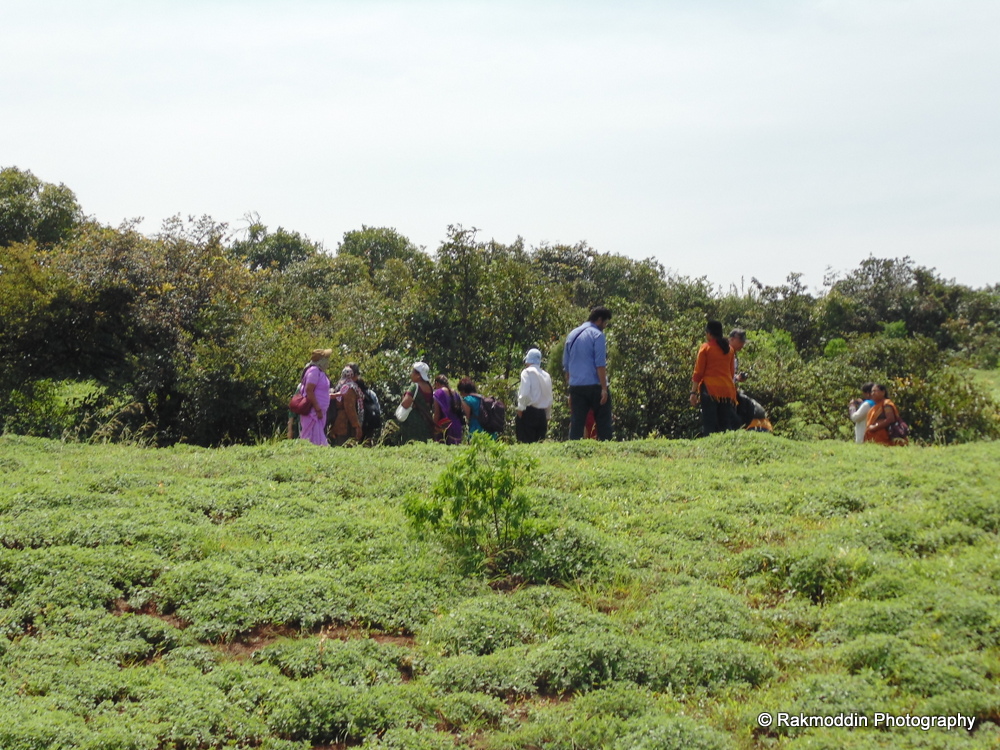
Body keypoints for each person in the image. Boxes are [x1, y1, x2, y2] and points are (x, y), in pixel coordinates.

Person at [562, 305, 613, 441]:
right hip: (594, 385)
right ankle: (605, 449)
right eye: (605, 323)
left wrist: (570, 389)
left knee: (577, 423)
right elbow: (600, 364)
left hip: (576, 386)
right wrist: (604, 388)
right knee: (603, 422)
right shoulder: (597, 335)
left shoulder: (572, 335)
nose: (605, 326)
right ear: (599, 320)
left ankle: (573, 450)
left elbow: (567, 367)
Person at [690, 321, 740, 436]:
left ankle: (709, 451)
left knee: (710, 424)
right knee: (725, 425)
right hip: (727, 391)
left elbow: (698, 372)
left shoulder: (706, 348)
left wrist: (693, 392)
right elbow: (731, 373)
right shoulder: (729, 350)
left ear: (709, 333)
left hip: (710, 390)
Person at [516, 348, 553, 443]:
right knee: (539, 446)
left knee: (526, 444)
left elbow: (524, 393)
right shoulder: (546, 375)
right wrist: (547, 415)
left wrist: (520, 409)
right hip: (542, 415)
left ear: (528, 360)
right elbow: (549, 398)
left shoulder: (527, 372)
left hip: (529, 412)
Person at [397, 362, 439, 444]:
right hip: (426, 423)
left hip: (413, 424)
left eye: (413, 372)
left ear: (418, 375)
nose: (411, 374)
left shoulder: (415, 386)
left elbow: (405, 404)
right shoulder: (429, 387)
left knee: (410, 446)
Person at [298, 348, 333, 446]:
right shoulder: (314, 371)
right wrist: (317, 408)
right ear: (321, 361)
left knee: (317, 435)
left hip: (319, 412)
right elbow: (309, 390)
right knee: (312, 437)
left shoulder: (320, 372)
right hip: (313, 412)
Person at [348, 362, 382, 443]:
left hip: (352, 426)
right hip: (368, 425)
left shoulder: (349, 390)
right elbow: (377, 409)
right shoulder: (370, 393)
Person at [330, 366, 364, 445]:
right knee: (345, 446)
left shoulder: (339, 385)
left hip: (338, 421)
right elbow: (350, 408)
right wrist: (356, 426)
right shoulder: (350, 388)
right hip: (345, 423)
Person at [433, 374, 467, 445]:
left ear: (437, 383)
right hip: (457, 426)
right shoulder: (456, 393)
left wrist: (433, 427)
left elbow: (437, 413)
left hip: (444, 427)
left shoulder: (438, 393)